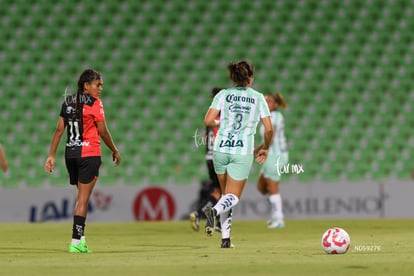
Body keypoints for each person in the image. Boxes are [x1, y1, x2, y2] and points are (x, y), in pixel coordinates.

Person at [44, 69, 121, 253]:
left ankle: (82, 239)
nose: (100, 88)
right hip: (89, 153)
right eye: (98, 84)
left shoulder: (67, 102)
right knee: (83, 200)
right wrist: (114, 149)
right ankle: (76, 241)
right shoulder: (95, 103)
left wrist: (51, 155)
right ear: (86, 85)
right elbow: (102, 131)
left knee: (80, 197)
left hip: (71, 154)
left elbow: (58, 131)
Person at [203, 60, 273, 248]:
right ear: (250, 78)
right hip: (241, 152)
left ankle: (226, 239)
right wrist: (265, 147)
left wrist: (223, 123)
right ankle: (213, 212)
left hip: (220, 149)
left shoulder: (223, 95)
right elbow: (268, 129)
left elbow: (208, 120)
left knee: (226, 195)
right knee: (233, 197)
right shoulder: (258, 97)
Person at [190, 87, 223, 232]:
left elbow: (205, 137)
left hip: (209, 157)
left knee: (219, 193)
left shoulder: (210, 117)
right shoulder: (223, 117)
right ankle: (198, 213)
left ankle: (215, 224)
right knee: (222, 193)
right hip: (218, 157)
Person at [255, 93, 288, 229]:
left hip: (276, 155)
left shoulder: (275, 116)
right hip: (270, 155)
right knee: (262, 187)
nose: (267, 102)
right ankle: (276, 214)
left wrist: (257, 149)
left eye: (269, 101)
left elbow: (271, 138)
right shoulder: (268, 117)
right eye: (265, 100)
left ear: (275, 105)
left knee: (272, 186)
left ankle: (279, 218)